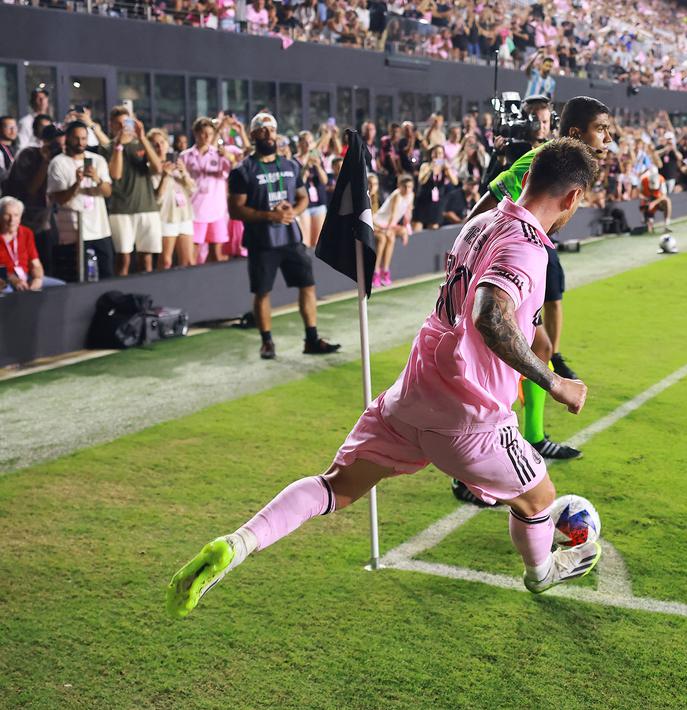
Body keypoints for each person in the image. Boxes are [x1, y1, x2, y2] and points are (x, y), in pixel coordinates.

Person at [166, 139, 601, 618]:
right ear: (573, 197)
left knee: (336, 486)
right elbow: (491, 318)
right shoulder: (528, 247)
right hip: (470, 419)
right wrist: (556, 383)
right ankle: (542, 575)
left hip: (410, 399)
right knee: (539, 497)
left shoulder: (483, 221)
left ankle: (237, 543)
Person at [465, 95, 612, 465]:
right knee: (495, 363)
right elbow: (484, 206)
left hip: (523, 262)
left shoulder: (565, 163)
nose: (607, 138)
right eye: (601, 129)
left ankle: (532, 438)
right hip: (501, 273)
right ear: (578, 132)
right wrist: (479, 255)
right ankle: (469, 467)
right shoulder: (540, 160)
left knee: (541, 349)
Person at [227, 112, 341, 360]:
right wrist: (269, 216)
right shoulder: (243, 170)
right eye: (263, 130)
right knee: (263, 292)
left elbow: (303, 198)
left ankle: (311, 339)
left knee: (308, 285)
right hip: (262, 242)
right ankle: (267, 341)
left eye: (272, 129)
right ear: (254, 134)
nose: (269, 134)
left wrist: (293, 211)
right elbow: (235, 209)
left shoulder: (290, 165)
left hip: (291, 238)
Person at [47, 121, 115, 280]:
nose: (80, 143)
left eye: (84, 138)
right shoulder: (58, 163)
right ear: (68, 139)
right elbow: (59, 199)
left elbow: (107, 192)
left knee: (107, 273)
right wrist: (76, 184)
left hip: (100, 228)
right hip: (73, 231)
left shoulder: (97, 160)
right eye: (76, 138)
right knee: (78, 276)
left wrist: (97, 179)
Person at [103, 104, 164, 275]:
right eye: (118, 124)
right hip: (121, 210)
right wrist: (119, 146)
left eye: (125, 123)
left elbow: (158, 168)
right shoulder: (106, 148)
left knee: (146, 259)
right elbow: (115, 174)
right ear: (111, 125)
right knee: (123, 259)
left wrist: (143, 138)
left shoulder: (141, 145)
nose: (123, 127)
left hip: (147, 208)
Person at [2, 123, 60, 276]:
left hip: (46, 218)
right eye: (54, 144)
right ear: (43, 141)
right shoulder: (27, 155)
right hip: (24, 218)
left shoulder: (61, 158)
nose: (58, 149)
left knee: (48, 264)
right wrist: (45, 161)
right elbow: (31, 190)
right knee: (24, 263)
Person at [182, 116, 238, 264]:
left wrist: (230, 158)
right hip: (194, 212)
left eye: (210, 134)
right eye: (202, 133)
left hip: (217, 212)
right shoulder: (185, 156)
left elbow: (235, 170)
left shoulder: (220, 154)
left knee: (217, 256)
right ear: (195, 134)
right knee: (192, 258)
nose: (206, 137)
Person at [148, 129, 197, 269]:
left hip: (184, 216)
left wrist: (183, 173)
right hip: (166, 218)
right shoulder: (150, 168)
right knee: (166, 261)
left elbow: (192, 189)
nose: (160, 147)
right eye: (155, 144)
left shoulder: (178, 163)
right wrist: (164, 176)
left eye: (162, 142)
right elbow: (157, 198)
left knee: (188, 261)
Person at [1, 196, 65, 292]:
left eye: (16, 215)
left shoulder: (26, 233)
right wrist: (13, 280)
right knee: (7, 293)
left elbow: (35, 263)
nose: (12, 220)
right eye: (7, 215)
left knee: (61, 287)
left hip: (26, 276)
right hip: (4, 280)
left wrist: (37, 279)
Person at [373, 174, 414, 287]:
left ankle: (385, 271)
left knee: (390, 237)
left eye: (410, 187)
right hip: (378, 222)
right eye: (404, 186)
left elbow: (407, 213)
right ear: (399, 186)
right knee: (385, 238)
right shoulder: (397, 195)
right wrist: (391, 228)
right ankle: (375, 272)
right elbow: (393, 215)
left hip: (390, 225)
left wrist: (405, 228)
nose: (407, 189)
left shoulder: (411, 195)